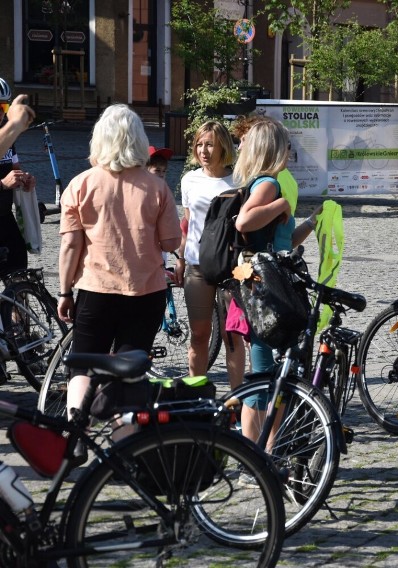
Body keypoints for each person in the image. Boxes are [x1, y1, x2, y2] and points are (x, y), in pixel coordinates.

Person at [57, 104, 182, 419]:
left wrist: (64, 291)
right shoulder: (157, 188)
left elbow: (71, 244)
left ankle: (76, 429)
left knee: (83, 363)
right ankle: (123, 444)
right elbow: (171, 242)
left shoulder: (81, 184)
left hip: (95, 289)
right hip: (146, 292)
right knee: (130, 373)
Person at [233, 118, 318, 443]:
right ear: (273, 148)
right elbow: (244, 222)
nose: (289, 150)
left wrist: (310, 223)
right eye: (285, 144)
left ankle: (264, 449)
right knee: (265, 371)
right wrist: (282, 203)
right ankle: (259, 452)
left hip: (266, 279)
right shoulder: (269, 184)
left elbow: (281, 240)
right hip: (263, 287)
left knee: (270, 370)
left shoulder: (266, 183)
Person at [175, 121, 245, 389]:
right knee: (199, 334)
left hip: (230, 268)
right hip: (197, 265)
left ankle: (238, 397)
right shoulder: (189, 179)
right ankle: (197, 396)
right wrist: (180, 258)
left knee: (231, 335)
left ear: (222, 147)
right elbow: (187, 222)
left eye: (210, 144)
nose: (203, 150)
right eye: (199, 144)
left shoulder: (239, 179)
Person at [0, 82, 37, 276]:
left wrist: (25, 181)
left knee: (19, 268)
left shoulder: (7, 137)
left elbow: (15, 168)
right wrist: (2, 184)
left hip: (4, 215)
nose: (0, 113)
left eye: (4, 107)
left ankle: (17, 305)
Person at [0, 78, 35, 156]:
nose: (1, 113)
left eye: (3, 107)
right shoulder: (9, 131)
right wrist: (16, 123)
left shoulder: (5, 132)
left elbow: (15, 166)